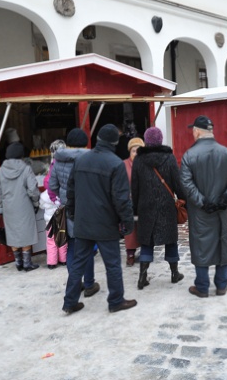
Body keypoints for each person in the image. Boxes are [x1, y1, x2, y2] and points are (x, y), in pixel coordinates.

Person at [63, 124, 136, 314]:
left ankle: (69, 301)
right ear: (115, 142)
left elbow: (70, 191)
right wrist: (128, 222)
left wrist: (72, 213)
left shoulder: (81, 160)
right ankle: (116, 300)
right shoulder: (115, 163)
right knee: (112, 264)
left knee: (78, 263)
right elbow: (121, 199)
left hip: (83, 221)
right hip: (105, 223)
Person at [180, 115, 227, 298]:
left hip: (200, 211)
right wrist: (226, 198)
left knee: (201, 244)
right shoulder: (226, 152)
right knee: (222, 242)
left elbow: (186, 182)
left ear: (197, 131)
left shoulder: (189, 155)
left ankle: (202, 286)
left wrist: (202, 201)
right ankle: (221, 285)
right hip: (221, 209)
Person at [132, 127, 186, 289]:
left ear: (146, 141)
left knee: (146, 241)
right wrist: (183, 200)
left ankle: (142, 276)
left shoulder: (139, 160)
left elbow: (134, 187)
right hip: (166, 205)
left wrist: (135, 208)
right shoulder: (169, 158)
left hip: (145, 206)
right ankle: (174, 273)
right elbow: (177, 183)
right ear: (161, 140)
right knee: (170, 240)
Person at [48, 129, 100, 296]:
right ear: (86, 142)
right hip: (88, 208)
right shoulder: (92, 159)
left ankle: (75, 283)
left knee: (71, 246)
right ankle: (90, 284)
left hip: (68, 208)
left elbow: (52, 186)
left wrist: (63, 196)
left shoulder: (58, 160)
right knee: (88, 246)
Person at [0, 142, 41, 272]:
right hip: (24, 206)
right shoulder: (26, 169)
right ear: (21, 155)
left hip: (9, 207)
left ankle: (18, 263)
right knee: (25, 233)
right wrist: (36, 202)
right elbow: (33, 189)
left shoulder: (0, 171)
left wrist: (0, 208)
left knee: (13, 233)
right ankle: (27, 263)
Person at [41, 139, 67, 269]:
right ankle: (63, 259)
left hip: (50, 211)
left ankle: (51, 262)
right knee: (62, 235)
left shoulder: (51, 167)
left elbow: (47, 182)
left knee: (51, 238)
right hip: (62, 208)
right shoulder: (66, 166)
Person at [123, 136, 144, 267]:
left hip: (143, 201)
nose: (136, 153)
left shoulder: (145, 164)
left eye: (138, 150)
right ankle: (130, 253)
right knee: (130, 229)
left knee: (143, 227)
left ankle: (146, 252)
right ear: (130, 152)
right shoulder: (124, 164)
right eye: (133, 150)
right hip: (129, 201)